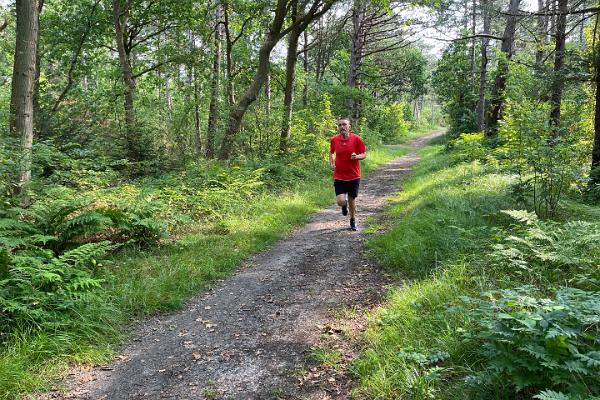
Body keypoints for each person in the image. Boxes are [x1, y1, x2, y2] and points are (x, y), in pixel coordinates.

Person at [329, 118, 366, 231]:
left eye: (344, 124)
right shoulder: (334, 139)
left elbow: (364, 154)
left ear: (349, 126)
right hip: (339, 175)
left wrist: (357, 157)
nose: (342, 127)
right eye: (340, 125)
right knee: (340, 201)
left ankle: (352, 220)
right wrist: (332, 163)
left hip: (354, 175)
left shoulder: (356, 139)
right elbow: (331, 152)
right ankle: (344, 205)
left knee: (351, 199)